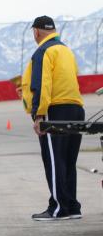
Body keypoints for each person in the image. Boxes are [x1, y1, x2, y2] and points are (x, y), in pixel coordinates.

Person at [21, 15, 84, 221]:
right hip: (75, 108)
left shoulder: (43, 51)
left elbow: (42, 84)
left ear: (36, 32)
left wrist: (39, 114)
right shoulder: (65, 50)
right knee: (67, 160)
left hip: (54, 110)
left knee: (54, 161)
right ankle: (72, 206)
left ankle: (58, 208)